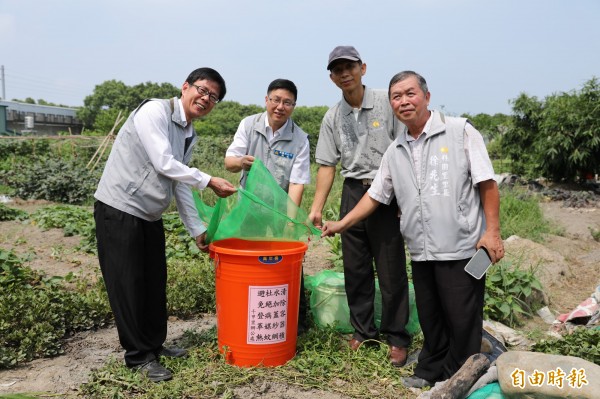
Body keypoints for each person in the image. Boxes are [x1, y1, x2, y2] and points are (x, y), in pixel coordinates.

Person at [321, 70, 505, 388]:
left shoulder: (460, 131)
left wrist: (493, 233)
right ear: (391, 105)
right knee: (432, 315)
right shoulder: (396, 150)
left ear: (426, 97)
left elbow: (486, 183)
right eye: (396, 97)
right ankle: (430, 370)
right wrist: (342, 223)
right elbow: (376, 195)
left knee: (461, 318)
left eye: (410, 93)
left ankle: (461, 377)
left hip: (462, 246)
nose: (404, 101)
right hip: (422, 249)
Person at [94, 67, 237, 383]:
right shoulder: (154, 111)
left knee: (153, 283)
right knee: (128, 285)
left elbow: (179, 183)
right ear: (186, 87)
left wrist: (196, 228)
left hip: (149, 214)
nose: (206, 99)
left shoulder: (188, 133)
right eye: (202, 90)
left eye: (213, 97)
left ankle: (154, 345)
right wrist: (209, 180)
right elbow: (163, 162)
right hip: (119, 207)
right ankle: (138, 357)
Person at [308, 45, 411, 366]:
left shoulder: (386, 102)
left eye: (349, 67)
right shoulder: (332, 116)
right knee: (355, 268)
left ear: (362, 68)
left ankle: (397, 337)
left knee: (391, 268)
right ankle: (362, 331)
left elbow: (406, 150)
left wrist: (404, 198)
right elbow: (327, 165)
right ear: (332, 77)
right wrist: (316, 206)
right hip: (353, 192)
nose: (344, 74)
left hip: (388, 190)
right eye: (337, 70)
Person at [224, 78, 311, 334]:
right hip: (249, 206)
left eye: (287, 102)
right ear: (266, 100)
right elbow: (229, 163)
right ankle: (247, 311)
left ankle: (296, 319)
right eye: (276, 100)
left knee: (288, 260)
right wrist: (241, 161)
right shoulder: (248, 125)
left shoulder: (300, 139)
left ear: (294, 106)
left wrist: (289, 220)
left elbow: (297, 183)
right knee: (249, 258)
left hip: (279, 208)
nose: (280, 106)